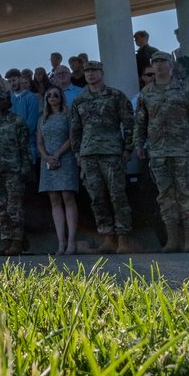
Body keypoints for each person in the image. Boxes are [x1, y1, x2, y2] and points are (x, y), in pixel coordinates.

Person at [135, 51, 189, 253]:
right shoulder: (146, 93)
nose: (159, 65)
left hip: (182, 151)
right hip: (158, 152)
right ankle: (172, 240)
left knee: (185, 194)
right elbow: (140, 122)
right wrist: (139, 145)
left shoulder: (184, 89)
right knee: (165, 196)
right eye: (155, 62)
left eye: (162, 61)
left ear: (170, 65)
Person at [69, 60, 135, 254]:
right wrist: (78, 153)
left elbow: (129, 124)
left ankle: (123, 239)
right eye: (87, 71)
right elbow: (76, 129)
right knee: (97, 198)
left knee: (117, 196)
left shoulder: (115, 96)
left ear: (101, 73)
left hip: (111, 153)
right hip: (88, 155)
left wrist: (128, 148)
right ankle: (107, 238)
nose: (90, 74)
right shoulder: (80, 100)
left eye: (94, 71)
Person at [0, 91, 32, 256]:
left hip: (14, 170)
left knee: (14, 208)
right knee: (0, 208)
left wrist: (25, 168)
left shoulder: (18, 121)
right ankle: (7, 240)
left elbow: (24, 147)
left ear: (8, 102)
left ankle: (17, 240)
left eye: (1, 100)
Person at [37, 86, 79, 255]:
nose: (52, 98)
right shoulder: (42, 118)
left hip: (65, 159)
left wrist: (57, 154)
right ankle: (61, 243)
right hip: (47, 162)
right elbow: (39, 141)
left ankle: (71, 242)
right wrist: (47, 157)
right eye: (49, 95)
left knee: (67, 196)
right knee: (54, 199)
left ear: (61, 98)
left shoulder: (68, 114)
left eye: (56, 95)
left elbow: (72, 137)